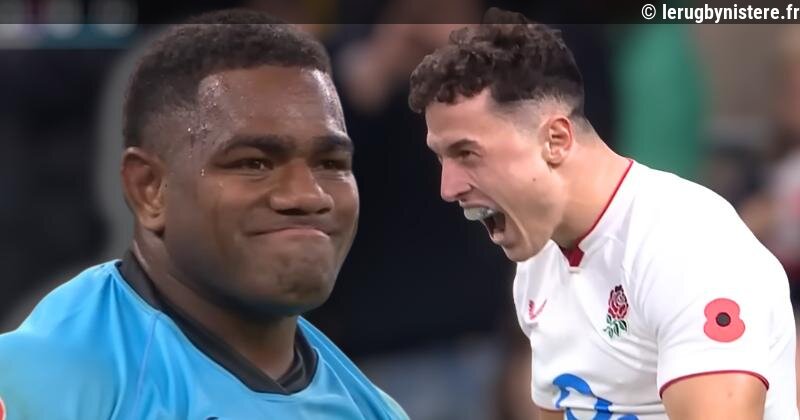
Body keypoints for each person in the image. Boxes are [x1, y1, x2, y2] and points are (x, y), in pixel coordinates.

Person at [0, 9, 407, 420]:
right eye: (253, 163)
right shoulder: (49, 377)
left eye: (331, 163)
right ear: (149, 188)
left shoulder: (374, 409)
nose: (307, 195)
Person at [408, 8, 798, 420]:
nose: (448, 188)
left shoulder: (688, 246)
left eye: (467, 153)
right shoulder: (538, 265)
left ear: (556, 140)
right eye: (442, 159)